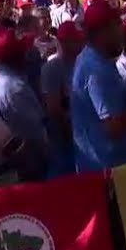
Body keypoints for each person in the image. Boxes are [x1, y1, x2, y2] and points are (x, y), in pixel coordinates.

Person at [71, 1, 126, 172]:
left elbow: (117, 102)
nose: (122, 32)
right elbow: (114, 128)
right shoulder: (95, 70)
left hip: (118, 168)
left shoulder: (99, 60)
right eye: (118, 24)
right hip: (110, 175)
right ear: (102, 32)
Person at [0, 29, 48, 181]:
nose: (27, 54)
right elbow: (35, 138)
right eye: (23, 51)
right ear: (16, 57)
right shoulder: (15, 89)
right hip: (28, 171)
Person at [40, 21, 83, 177]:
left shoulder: (81, 63)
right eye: (76, 40)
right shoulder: (52, 68)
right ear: (64, 42)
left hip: (82, 134)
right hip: (62, 139)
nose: (81, 43)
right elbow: (53, 108)